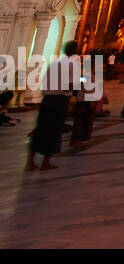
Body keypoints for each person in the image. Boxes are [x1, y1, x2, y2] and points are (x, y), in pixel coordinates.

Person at [27, 42, 78, 171]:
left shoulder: (54, 63)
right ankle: (45, 163)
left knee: (40, 129)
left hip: (47, 99)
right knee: (54, 130)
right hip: (59, 101)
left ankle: (30, 163)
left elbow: (46, 80)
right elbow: (69, 85)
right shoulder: (72, 65)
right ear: (75, 52)